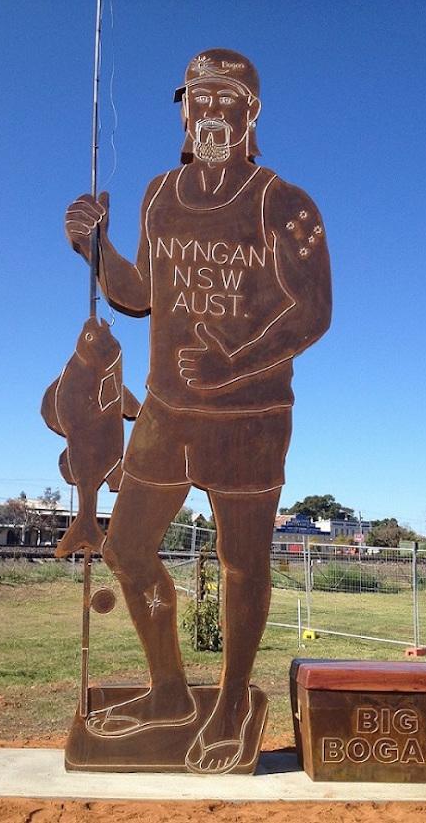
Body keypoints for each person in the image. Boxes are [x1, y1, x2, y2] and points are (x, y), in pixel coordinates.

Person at [64, 48, 331, 774]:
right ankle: (172, 690)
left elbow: (313, 310)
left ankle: (234, 700)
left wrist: (233, 362)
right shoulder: (160, 193)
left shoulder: (284, 201)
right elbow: (140, 290)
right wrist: (95, 250)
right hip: (165, 410)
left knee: (242, 562)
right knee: (124, 548)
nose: (209, 113)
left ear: (251, 113)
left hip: (249, 414)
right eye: (198, 100)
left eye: (226, 101)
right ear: (183, 110)